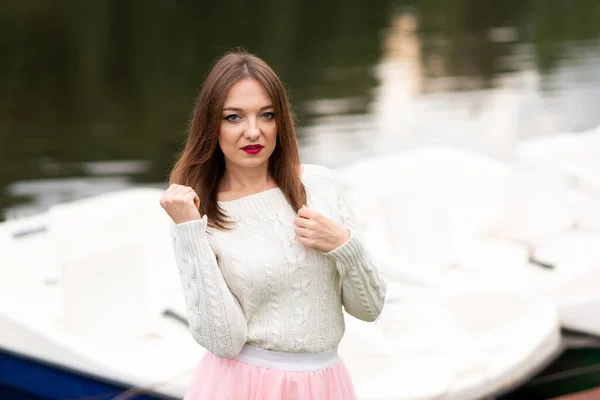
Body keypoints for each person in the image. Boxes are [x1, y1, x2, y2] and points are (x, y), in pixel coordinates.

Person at [160, 49, 387, 400]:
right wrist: (190, 233)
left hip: (326, 384)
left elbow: (370, 308)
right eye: (234, 118)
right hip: (242, 387)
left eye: (266, 115)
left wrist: (344, 244)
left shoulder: (320, 185)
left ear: (280, 120)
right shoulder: (197, 213)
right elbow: (224, 341)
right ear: (211, 125)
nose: (253, 131)